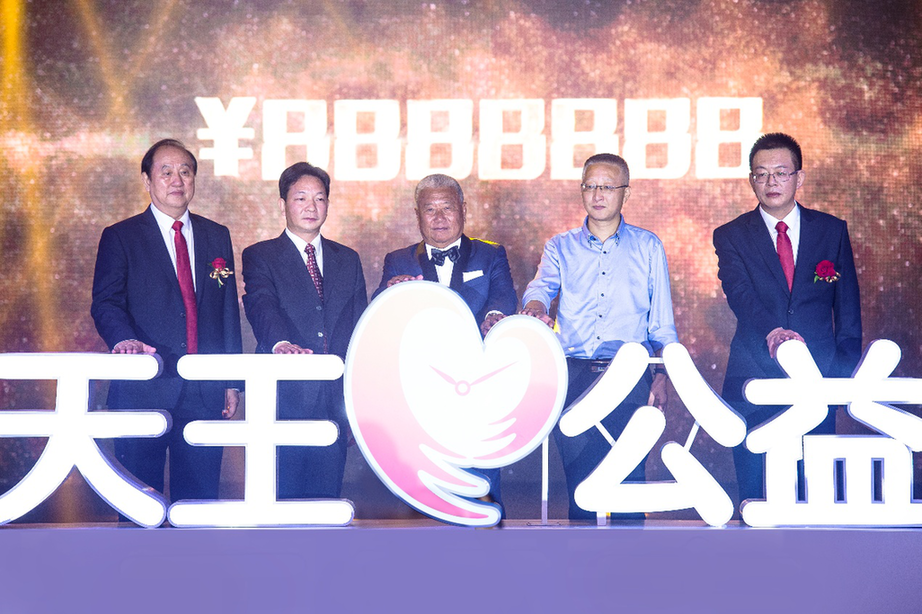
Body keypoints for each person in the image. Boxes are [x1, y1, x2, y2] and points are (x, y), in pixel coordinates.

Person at [521, 153, 678, 521]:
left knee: (629, 482)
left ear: (626, 193)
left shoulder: (648, 246)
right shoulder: (560, 246)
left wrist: (662, 374)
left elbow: (661, 323)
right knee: (580, 486)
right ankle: (581, 557)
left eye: (607, 187)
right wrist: (534, 307)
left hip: (629, 376)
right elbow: (541, 288)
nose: (598, 195)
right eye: (590, 186)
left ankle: (630, 557)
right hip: (574, 376)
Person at [713, 132, 862, 505]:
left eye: (781, 173)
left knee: (814, 491)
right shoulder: (731, 235)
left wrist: (842, 374)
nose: (771, 182)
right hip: (754, 375)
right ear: (751, 180)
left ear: (799, 177)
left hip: (818, 378)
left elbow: (847, 308)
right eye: (761, 174)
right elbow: (740, 294)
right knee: (756, 494)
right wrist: (773, 331)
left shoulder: (830, 230)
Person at [91, 138, 242, 505]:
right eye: (167, 172)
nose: (177, 180)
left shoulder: (216, 235)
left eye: (185, 172)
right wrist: (123, 340)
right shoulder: (121, 236)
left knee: (200, 504)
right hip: (144, 385)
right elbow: (106, 303)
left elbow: (226, 312)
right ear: (147, 180)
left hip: (203, 389)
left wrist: (232, 382)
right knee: (140, 503)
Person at [375, 173, 517, 510]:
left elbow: (503, 296)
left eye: (447, 208)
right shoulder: (398, 260)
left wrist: (494, 316)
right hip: (420, 394)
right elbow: (378, 315)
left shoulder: (490, 254)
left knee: (481, 487)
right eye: (430, 209)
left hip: (477, 389)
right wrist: (389, 293)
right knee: (426, 492)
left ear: (463, 209)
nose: (439, 217)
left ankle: (485, 537)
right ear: (417, 215)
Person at [242, 162, 367, 499]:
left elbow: (358, 327)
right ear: (282, 204)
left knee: (326, 499)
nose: (311, 207)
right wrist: (281, 343)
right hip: (284, 396)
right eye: (301, 198)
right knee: (283, 497)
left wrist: (356, 400)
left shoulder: (348, 259)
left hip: (334, 399)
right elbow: (261, 304)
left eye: (320, 199)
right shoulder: (260, 255)